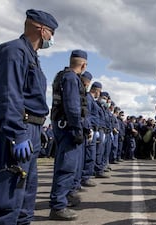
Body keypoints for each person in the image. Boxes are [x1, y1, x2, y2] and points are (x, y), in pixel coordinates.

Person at [0, 9, 58, 224]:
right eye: (51, 33)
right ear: (42, 30)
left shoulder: (30, 55)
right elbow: (8, 95)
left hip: (31, 128)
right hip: (18, 128)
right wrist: (17, 133)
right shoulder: (14, 51)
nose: (51, 39)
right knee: (8, 193)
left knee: (26, 192)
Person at [49, 49, 88, 220]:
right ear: (84, 65)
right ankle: (58, 205)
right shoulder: (72, 78)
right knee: (67, 166)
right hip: (69, 127)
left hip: (62, 125)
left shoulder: (62, 75)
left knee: (65, 164)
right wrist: (77, 129)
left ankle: (64, 197)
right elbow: (73, 107)